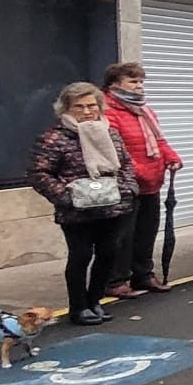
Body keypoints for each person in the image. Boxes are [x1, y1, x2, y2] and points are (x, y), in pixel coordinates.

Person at [29, 82, 138, 325]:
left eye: (92, 106)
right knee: (80, 256)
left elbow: (126, 163)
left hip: (112, 205)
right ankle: (78, 307)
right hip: (77, 211)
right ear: (65, 109)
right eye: (79, 107)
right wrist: (66, 197)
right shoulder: (54, 137)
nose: (87, 112)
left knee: (108, 254)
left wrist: (128, 187)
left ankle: (95, 300)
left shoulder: (109, 132)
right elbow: (39, 173)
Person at [100, 62, 182, 297]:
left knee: (147, 231)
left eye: (141, 82)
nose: (139, 86)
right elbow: (115, 149)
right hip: (126, 184)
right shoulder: (108, 112)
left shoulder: (144, 110)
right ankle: (116, 280)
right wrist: (140, 171)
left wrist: (171, 157)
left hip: (150, 183)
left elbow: (159, 141)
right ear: (115, 84)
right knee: (123, 235)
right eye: (133, 81)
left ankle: (143, 275)